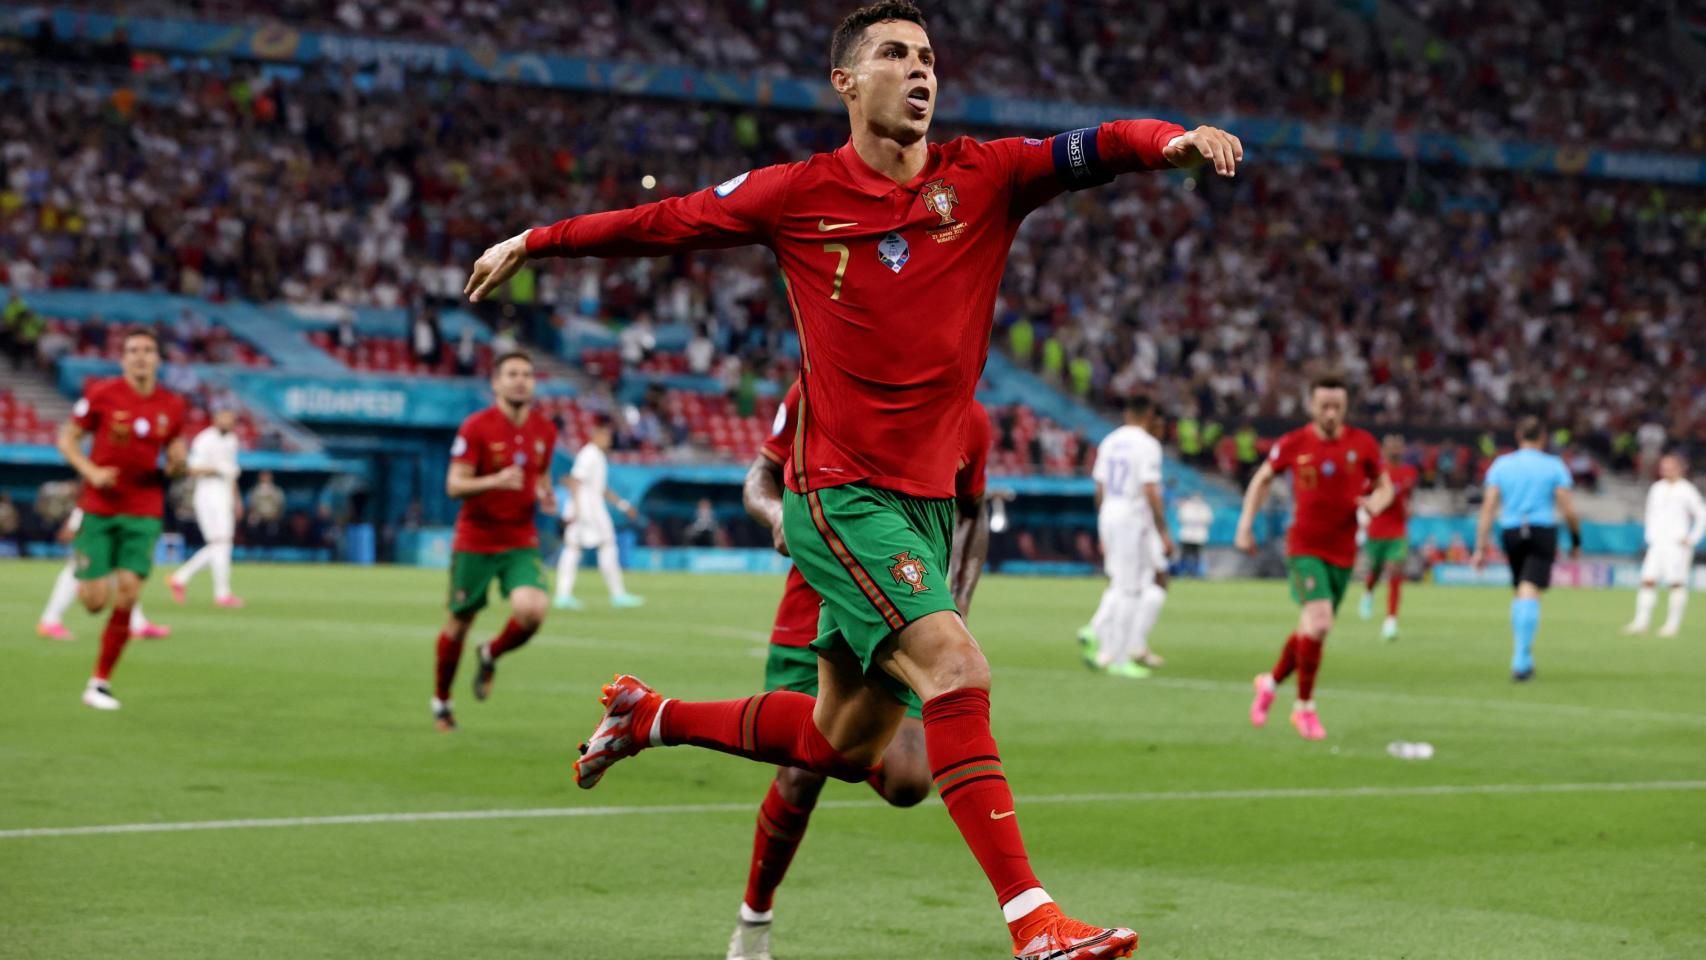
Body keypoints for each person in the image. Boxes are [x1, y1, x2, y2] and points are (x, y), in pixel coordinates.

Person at [466, 3, 1239, 953]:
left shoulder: (986, 178)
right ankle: (1033, 922)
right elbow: (662, 222)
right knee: (958, 669)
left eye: (927, 58)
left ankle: (650, 716)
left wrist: (1174, 144)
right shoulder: (797, 195)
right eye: (893, 56)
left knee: (846, 744)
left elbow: (1102, 143)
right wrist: (536, 242)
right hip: (839, 491)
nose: (919, 73)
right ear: (846, 81)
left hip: (917, 511)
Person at [726, 383, 991, 960]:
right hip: (813, 607)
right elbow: (758, 477)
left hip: (906, 612)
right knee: (801, 774)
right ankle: (753, 923)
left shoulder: (970, 417)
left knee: (908, 781)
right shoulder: (820, 386)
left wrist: (959, 603)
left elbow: (975, 511)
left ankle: (661, 720)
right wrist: (777, 514)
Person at [1236, 376, 1391, 740]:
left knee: (1311, 630)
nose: (1332, 413)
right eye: (1325, 405)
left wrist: (1376, 503)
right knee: (1320, 623)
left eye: (1338, 406)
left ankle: (1270, 682)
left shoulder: (1363, 443)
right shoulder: (1294, 443)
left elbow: (1385, 487)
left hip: (1343, 551)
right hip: (1304, 547)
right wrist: (1245, 525)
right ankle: (1304, 708)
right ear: (1311, 405)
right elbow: (1262, 480)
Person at [55, 328, 188, 710]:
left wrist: (179, 464)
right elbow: (67, 439)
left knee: (129, 591)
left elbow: (176, 452)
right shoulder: (102, 393)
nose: (141, 356)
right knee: (94, 602)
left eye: (148, 350)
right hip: (98, 506)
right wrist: (91, 471)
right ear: (123, 358)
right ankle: (89, 564)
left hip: (144, 507)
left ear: (158, 359)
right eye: (133, 350)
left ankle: (99, 682)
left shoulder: (172, 405)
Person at [432, 352, 558, 732]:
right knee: (459, 623)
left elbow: (541, 477)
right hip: (476, 538)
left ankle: (490, 653)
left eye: (527, 374)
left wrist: (546, 494)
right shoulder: (476, 427)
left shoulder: (545, 431)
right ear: (496, 383)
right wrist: (494, 481)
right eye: (512, 374)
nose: (521, 380)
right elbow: (454, 485)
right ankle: (442, 701)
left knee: (533, 611)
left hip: (520, 538)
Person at [1472, 416, 1581, 681]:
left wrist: (1480, 547)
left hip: (1510, 530)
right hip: (1541, 529)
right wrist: (1576, 539)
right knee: (1529, 590)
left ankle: (1524, 655)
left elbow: (1488, 507)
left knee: (1521, 589)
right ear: (1542, 438)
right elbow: (1567, 507)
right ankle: (1521, 658)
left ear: (1518, 436)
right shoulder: (1554, 466)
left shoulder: (1502, 465)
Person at [1078, 396, 1173, 678]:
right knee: (1130, 588)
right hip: (1132, 518)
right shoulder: (1147, 445)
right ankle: (1117, 655)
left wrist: (1103, 523)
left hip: (1109, 513)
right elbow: (1151, 489)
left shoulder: (1109, 441)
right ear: (1149, 414)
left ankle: (1103, 639)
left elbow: (1099, 487)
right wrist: (1163, 530)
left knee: (1120, 583)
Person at [37, 507, 169, 641]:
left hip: (115, 517)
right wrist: (74, 523)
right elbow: (90, 493)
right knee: (79, 567)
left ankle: (136, 623)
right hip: (96, 519)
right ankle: (50, 621)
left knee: (118, 571)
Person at [554, 415, 643, 609]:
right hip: (587, 508)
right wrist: (575, 510)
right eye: (605, 436)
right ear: (596, 436)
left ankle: (564, 595)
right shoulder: (589, 454)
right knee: (602, 545)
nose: (609, 440)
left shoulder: (598, 456)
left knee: (575, 548)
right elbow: (575, 481)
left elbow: (601, 488)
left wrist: (623, 506)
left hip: (589, 506)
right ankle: (617, 595)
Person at [168, 404, 245, 607]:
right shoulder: (205, 439)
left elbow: (231, 473)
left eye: (230, 418)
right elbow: (191, 469)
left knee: (220, 544)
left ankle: (181, 578)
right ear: (215, 418)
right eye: (224, 417)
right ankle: (221, 594)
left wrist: (236, 500)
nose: (228, 421)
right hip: (208, 492)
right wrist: (217, 469)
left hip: (224, 492)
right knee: (221, 543)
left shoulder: (232, 440)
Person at [1622, 453, 1705, 638]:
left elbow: (1702, 515)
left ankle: (1672, 625)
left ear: (1679, 468)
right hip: (1657, 543)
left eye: (1668, 466)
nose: (1664, 469)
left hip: (1677, 545)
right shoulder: (1656, 488)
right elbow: (1650, 513)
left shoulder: (1687, 490)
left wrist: (1692, 538)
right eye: (1663, 466)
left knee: (1676, 583)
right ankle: (1641, 622)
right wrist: (1649, 535)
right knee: (1647, 580)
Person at [1358, 434, 1418, 641]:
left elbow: (1408, 498)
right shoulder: (1377, 472)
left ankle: (1390, 621)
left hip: (1397, 531)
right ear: (1383, 449)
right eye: (1391, 446)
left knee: (1394, 570)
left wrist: (1408, 510)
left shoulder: (1409, 472)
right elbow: (1362, 495)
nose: (1395, 450)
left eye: (1398, 447)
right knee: (1374, 571)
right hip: (1376, 530)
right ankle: (1368, 593)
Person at [1176, 491, 1213, 578]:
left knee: (1197, 555)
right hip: (1187, 535)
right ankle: (1183, 572)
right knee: (1184, 554)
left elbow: (1208, 520)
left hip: (1199, 536)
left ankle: (1196, 573)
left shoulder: (1205, 507)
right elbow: (1181, 519)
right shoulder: (1186, 507)